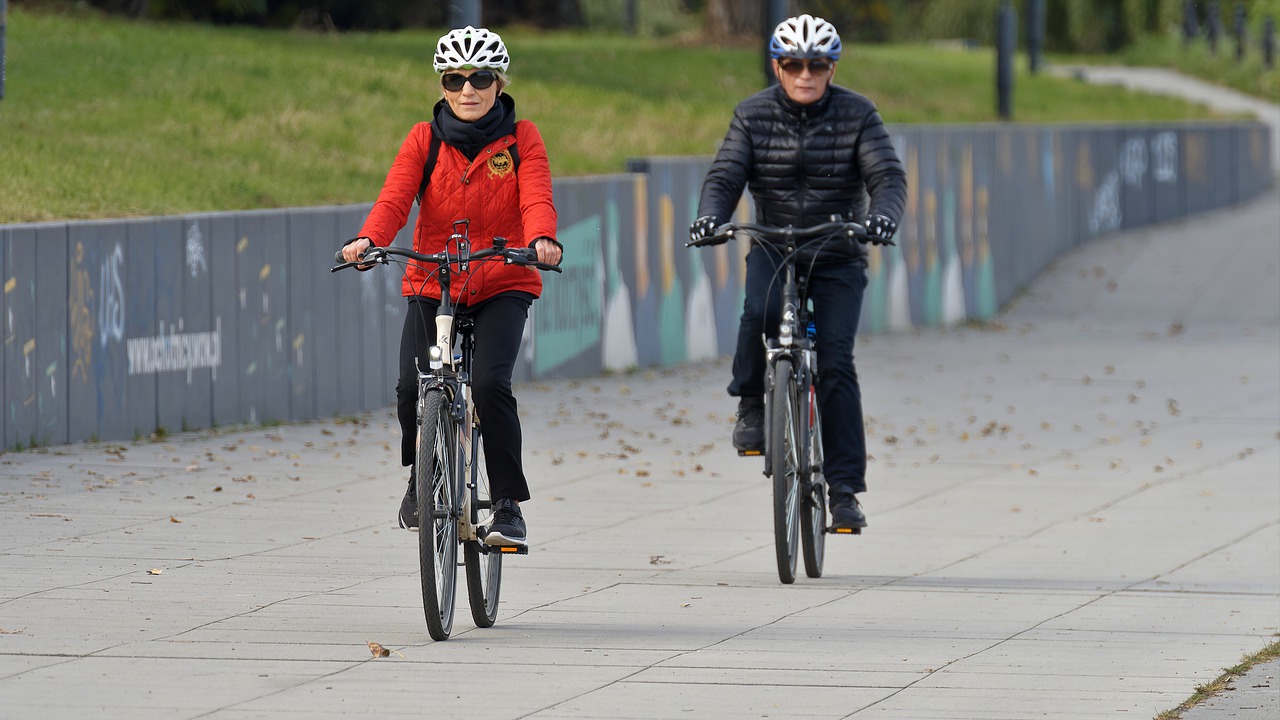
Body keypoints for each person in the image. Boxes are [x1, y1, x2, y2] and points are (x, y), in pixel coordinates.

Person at [340, 26, 561, 548]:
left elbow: (536, 196)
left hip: (502, 277)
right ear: (442, 85)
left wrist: (542, 239)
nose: (468, 90)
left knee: (490, 384)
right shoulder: (424, 138)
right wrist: (369, 239)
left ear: (499, 83)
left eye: (480, 78)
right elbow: (395, 197)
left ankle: (506, 505)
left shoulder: (522, 138)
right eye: (455, 79)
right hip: (433, 277)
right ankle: (422, 477)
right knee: (409, 385)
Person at [690, 14, 906, 531]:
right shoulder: (753, 114)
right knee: (758, 312)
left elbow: (887, 176)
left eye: (816, 65)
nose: (805, 74)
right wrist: (711, 217)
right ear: (777, 67)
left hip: (837, 249)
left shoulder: (858, 114)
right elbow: (726, 175)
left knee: (836, 362)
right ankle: (751, 405)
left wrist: (882, 217)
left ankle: (845, 492)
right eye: (793, 65)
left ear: (832, 69)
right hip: (775, 242)